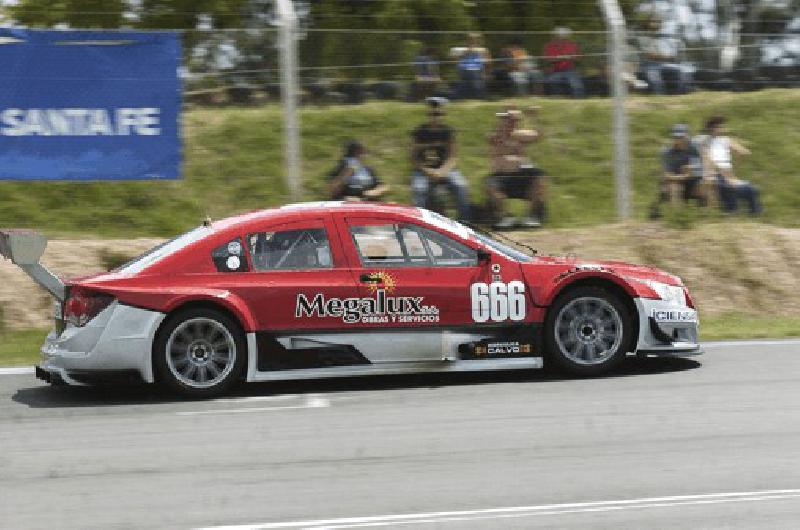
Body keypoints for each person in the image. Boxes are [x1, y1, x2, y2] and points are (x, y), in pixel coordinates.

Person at [486, 106, 548, 229]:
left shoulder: (519, 135)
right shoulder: (496, 137)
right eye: (507, 120)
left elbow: (538, 135)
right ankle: (505, 217)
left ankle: (532, 216)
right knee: (491, 185)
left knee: (539, 177)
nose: (510, 123)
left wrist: (534, 118)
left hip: (520, 174)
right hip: (501, 176)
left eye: (513, 121)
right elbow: (497, 139)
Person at [410, 97, 471, 221]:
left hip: (445, 169)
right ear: (428, 115)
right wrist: (427, 171)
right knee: (419, 189)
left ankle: (465, 222)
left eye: (438, 114)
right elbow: (413, 158)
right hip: (423, 170)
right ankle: (418, 222)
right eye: (432, 114)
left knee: (461, 185)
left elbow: (453, 156)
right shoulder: (419, 132)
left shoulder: (448, 132)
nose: (435, 117)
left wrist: (443, 170)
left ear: (443, 115)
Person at [699, 116, 762, 215]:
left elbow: (744, 152)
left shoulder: (726, 140)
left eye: (721, 127)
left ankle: (755, 214)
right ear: (710, 128)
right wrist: (716, 173)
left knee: (751, 188)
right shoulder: (705, 143)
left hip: (728, 174)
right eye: (718, 127)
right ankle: (732, 211)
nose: (720, 129)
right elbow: (707, 161)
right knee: (727, 186)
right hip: (715, 175)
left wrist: (735, 170)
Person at [649, 124, 705, 219]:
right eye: (675, 137)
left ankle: (706, 215)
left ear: (687, 136)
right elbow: (667, 175)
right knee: (674, 187)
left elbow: (702, 165)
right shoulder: (667, 151)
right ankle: (677, 217)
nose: (678, 139)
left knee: (705, 184)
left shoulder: (694, 147)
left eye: (681, 137)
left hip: (692, 179)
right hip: (675, 180)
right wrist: (683, 176)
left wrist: (692, 169)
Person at [637, 16, 692, 95]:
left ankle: (678, 96)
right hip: (650, 66)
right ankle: (660, 97)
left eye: (658, 22)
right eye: (653, 22)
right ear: (647, 24)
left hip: (666, 64)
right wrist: (668, 57)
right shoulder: (642, 38)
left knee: (681, 72)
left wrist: (669, 57)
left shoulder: (665, 38)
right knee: (655, 80)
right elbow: (650, 55)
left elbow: (674, 54)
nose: (656, 24)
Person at [542, 27, 585, 98]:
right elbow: (549, 59)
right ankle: (557, 97)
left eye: (564, 35)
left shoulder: (572, 45)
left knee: (576, 84)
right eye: (559, 35)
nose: (561, 37)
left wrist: (571, 57)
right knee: (551, 80)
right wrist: (562, 58)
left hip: (570, 70)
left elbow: (577, 58)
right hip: (555, 71)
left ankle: (578, 99)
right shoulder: (549, 46)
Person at [457, 33, 490, 100]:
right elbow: (457, 59)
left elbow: (488, 61)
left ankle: (478, 95)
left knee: (476, 77)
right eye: (471, 39)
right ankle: (476, 95)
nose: (473, 41)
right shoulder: (463, 50)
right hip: (466, 69)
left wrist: (486, 72)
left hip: (477, 69)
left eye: (475, 39)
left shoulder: (482, 50)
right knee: (473, 75)